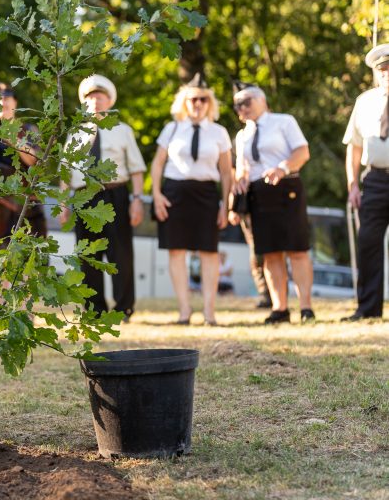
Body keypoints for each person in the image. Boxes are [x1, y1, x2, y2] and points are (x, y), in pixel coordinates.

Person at [228, 81, 314, 324]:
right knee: (270, 254)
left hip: (286, 188)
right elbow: (242, 170)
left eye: (246, 102)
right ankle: (280, 308)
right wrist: (238, 190)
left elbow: (302, 152)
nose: (241, 108)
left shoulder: (284, 121)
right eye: (237, 105)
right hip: (258, 194)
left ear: (262, 101)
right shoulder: (242, 135)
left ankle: (306, 308)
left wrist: (282, 168)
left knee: (297, 250)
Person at [150, 74, 232, 325]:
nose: (198, 103)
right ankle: (184, 311)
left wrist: (226, 205)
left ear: (210, 103)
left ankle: (209, 312)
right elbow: (158, 163)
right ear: (185, 102)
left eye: (203, 99)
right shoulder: (172, 128)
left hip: (207, 194)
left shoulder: (219, 132)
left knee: (209, 252)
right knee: (176, 252)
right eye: (193, 99)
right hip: (174, 193)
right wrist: (156, 195)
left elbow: (227, 172)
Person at [63, 74, 146, 321]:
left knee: (120, 254)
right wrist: (64, 202)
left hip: (115, 195)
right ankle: (94, 308)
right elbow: (65, 172)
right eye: (89, 97)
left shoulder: (123, 130)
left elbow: (137, 169)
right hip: (83, 197)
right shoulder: (75, 134)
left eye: (100, 96)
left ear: (110, 101)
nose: (95, 101)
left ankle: (123, 308)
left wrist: (137, 200)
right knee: (87, 256)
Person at [342, 43, 389, 320]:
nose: (387, 74)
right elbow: (354, 146)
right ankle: (368, 309)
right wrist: (352, 185)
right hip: (374, 180)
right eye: (382, 70)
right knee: (368, 243)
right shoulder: (365, 101)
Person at [0, 83, 46, 242]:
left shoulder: (28, 130)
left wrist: (12, 138)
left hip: (24, 210)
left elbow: (36, 162)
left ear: (15, 102)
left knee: (29, 262)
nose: (2, 103)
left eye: (6, 98)